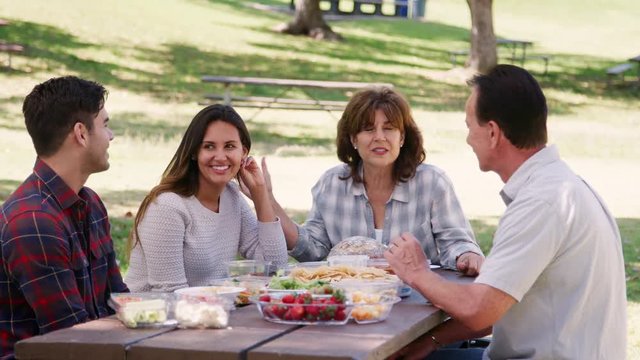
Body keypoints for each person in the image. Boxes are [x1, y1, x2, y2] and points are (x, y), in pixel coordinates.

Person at [385, 65, 627, 360]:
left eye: (469, 126)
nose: (468, 139)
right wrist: (433, 339)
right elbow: (495, 307)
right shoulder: (562, 186)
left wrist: (416, 272)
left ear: (492, 133)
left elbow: (478, 310)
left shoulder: (541, 203)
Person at [260, 86, 484, 275]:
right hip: (354, 305)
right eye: (368, 129)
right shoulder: (331, 184)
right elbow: (312, 250)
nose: (379, 137)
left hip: (420, 303)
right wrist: (268, 199)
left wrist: (468, 256)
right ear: (353, 138)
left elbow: (456, 242)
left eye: (389, 129)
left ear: (402, 137)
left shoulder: (433, 183)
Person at [0, 76, 129, 359]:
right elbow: (71, 338)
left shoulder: (90, 203)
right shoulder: (32, 221)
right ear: (81, 133)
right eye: (105, 125)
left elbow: (121, 301)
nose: (111, 136)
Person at [125, 104, 288, 292]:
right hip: (153, 316)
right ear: (194, 152)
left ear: (243, 152)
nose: (220, 156)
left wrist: (260, 195)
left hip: (209, 312)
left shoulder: (232, 197)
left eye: (229, 146)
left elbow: (274, 269)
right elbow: (169, 293)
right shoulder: (167, 208)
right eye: (209, 146)